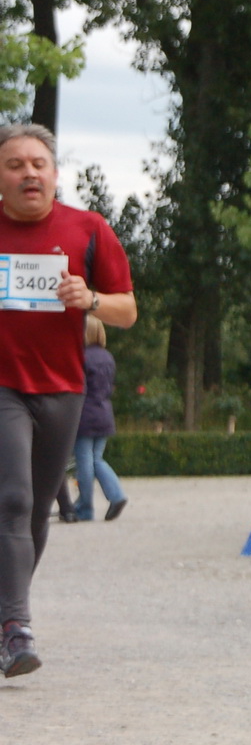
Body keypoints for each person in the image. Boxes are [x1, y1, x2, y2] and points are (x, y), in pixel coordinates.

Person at [0, 123, 137, 677]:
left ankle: (6, 611)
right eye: (15, 164)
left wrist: (92, 298)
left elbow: (128, 311)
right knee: (11, 498)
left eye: (39, 163)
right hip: (3, 385)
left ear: (55, 174)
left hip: (62, 387)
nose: (29, 172)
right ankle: (17, 627)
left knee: (34, 513)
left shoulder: (88, 229)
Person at [75, 315, 128, 522]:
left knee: (85, 462)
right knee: (97, 458)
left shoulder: (81, 356)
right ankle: (116, 495)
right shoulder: (108, 357)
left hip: (85, 415)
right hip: (104, 412)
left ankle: (85, 508)